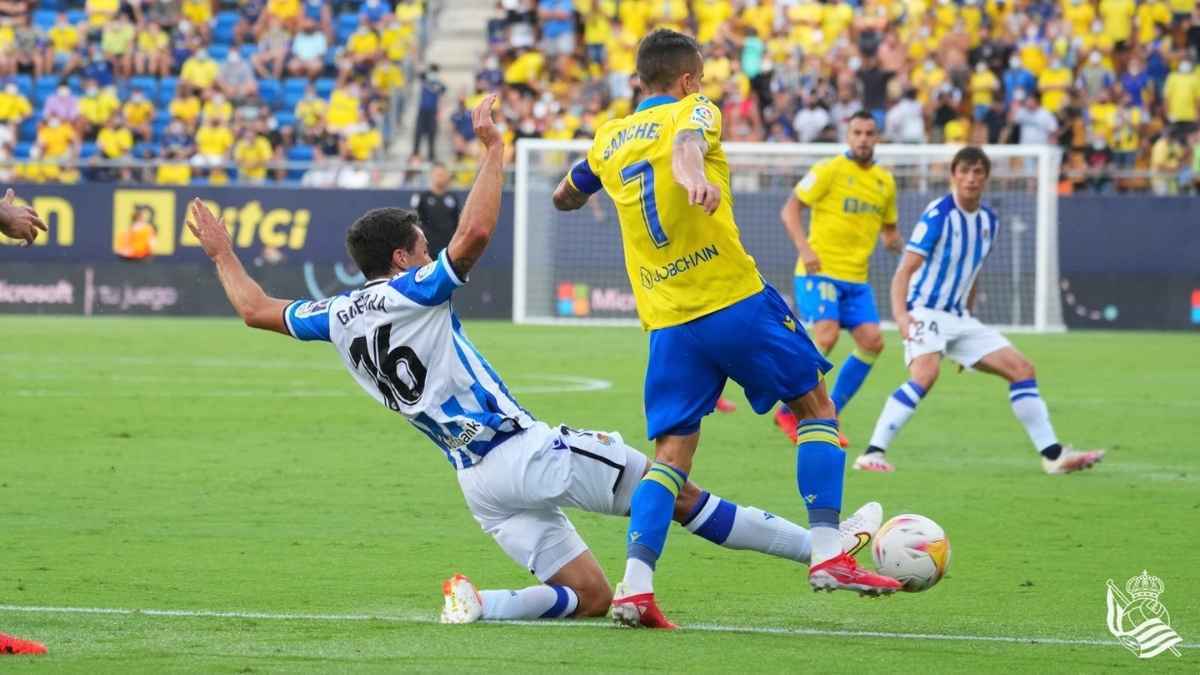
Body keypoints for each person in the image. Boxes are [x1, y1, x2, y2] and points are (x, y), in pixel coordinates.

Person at [185, 94, 884, 626]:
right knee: (676, 490)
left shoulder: (335, 315)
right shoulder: (409, 291)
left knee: (589, 595)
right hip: (525, 452)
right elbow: (475, 233)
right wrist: (494, 150)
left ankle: (481, 603)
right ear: (400, 258)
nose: (428, 253)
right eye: (420, 246)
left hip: (477, 484)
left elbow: (256, 308)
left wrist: (222, 253)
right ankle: (825, 546)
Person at [551, 30, 901, 628]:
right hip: (732, 299)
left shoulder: (609, 138)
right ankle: (827, 553)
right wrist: (691, 176)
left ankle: (636, 587)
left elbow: (565, 195)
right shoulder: (695, 110)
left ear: (641, 79)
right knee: (816, 408)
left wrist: (592, 185)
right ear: (688, 80)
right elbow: (688, 145)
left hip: (668, 322)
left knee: (670, 457)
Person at [856, 147, 1105, 475]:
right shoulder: (939, 214)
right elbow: (904, 271)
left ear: (986, 178)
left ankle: (1054, 456)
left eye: (977, 172)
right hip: (925, 311)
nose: (971, 178)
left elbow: (972, 273)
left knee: (1022, 369)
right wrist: (902, 317)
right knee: (925, 375)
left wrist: (967, 328)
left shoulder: (989, 221)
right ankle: (872, 453)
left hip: (960, 318)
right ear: (953, 176)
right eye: (964, 171)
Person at [775, 111, 900, 452]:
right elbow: (790, 210)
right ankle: (793, 411)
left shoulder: (885, 182)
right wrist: (805, 249)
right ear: (848, 136)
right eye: (857, 132)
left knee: (873, 342)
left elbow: (890, 230)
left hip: (856, 279)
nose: (863, 139)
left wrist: (896, 243)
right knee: (826, 335)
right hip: (820, 271)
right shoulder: (829, 169)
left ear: (877, 137)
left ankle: (829, 412)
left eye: (869, 133)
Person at [409, 163, 461, 255]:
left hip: (448, 245)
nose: (440, 178)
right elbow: (416, 222)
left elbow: (457, 220)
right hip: (429, 245)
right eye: (438, 175)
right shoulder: (422, 197)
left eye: (443, 175)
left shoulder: (452, 197)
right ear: (431, 176)